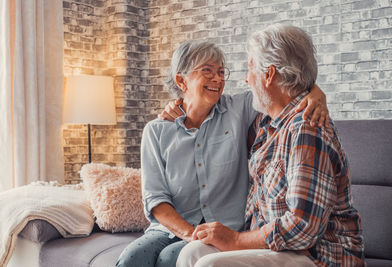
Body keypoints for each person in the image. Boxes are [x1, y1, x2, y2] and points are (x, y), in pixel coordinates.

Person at [116, 40, 329, 267]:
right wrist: (190, 233)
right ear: (181, 80)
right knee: (132, 259)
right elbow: (155, 200)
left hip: (224, 229)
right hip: (169, 230)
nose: (217, 79)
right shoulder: (156, 131)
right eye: (207, 71)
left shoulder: (239, 108)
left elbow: (284, 87)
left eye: (220, 72)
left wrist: (317, 95)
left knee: (172, 258)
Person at [176, 24, 365, 267]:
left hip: (317, 256)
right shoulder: (267, 124)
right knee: (192, 253)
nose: (246, 78)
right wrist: (179, 105)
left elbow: (303, 227)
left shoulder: (307, 128)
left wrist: (235, 239)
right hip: (279, 251)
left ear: (269, 75)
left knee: (208, 265)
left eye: (250, 67)